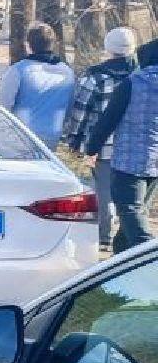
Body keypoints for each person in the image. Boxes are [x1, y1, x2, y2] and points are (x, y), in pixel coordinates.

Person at [63, 26, 139, 250]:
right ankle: (126, 235)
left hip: (102, 144)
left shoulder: (96, 76)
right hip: (134, 145)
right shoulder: (141, 76)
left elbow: (81, 110)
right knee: (131, 193)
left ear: (108, 48)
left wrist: (75, 140)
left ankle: (103, 235)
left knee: (104, 191)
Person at [85, 38, 158, 253]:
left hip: (128, 161)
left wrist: (92, 149)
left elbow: (109, 119)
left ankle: (149, 257)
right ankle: (120, 263)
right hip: (155, 164)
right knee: (133, 218)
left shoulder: (132, 84)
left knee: (132, 213)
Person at [0, 21, 77, 147]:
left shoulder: (19, 70)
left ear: (28, 45)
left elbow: (3, 106)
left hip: (21, 136)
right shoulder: (66, 72)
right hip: (52, 136)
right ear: (52, 44)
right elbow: (69, 108)